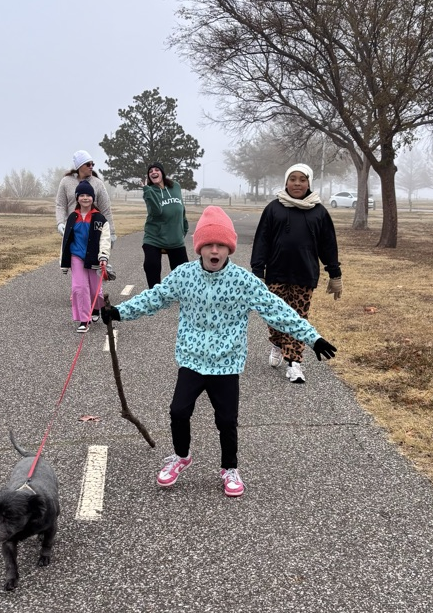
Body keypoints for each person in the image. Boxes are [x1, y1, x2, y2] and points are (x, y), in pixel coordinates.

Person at [101, 206, 337, 497]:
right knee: (178, 412)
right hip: (192, 360)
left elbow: (278, 310)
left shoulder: (244, 281)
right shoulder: (184, 275)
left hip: (227, 363)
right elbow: (156, 298)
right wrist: (119, 313)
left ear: (229, 248)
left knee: (226, 420)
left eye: (221, 245)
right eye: (209, 245)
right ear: (200, 247)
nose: (215, 251)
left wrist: (313, 338)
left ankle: (229, 468)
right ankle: (181, 456)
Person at [251, 163, 342, 385]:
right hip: (276, 273)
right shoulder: (274, 208)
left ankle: (294, 363)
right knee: (273, 316)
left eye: (302, 179)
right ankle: (276, 342)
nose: (297, 183)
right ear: (286, 182)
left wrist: (335, 274)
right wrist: (257, 270)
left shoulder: (319, 211)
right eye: (293, 179)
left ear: (309, 182)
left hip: (304, 274)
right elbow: (262, 240)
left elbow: (328, 244)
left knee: (297, 318)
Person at [60, 180, 111, 333]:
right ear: (77, 198)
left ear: (92, 198)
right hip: (77, 257)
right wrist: (64, 263)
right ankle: (84, 319)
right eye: (81, 195)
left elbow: (105, 239)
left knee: (95, 290)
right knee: (79, 288)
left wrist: (103, 256)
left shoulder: (99, 219)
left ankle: (95, 308)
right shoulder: (72, 217)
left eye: (88, 195)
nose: (85, 198)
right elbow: (65, 240)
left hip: (94, 258)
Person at [142, 161, 189, 288]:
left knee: (183, 272)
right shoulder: (149, 190)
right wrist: (147, 190)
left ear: (162, 173)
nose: (153, 172)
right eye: (150, 171)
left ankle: (182, 294)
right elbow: (157, 212)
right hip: (154, 237)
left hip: (175, 239)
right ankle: (155, 294)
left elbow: (181, 209)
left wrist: (184, 228)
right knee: (151, 265)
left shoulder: (176, 186)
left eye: (156, 170)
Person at [56, 150, 116, 244]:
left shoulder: (98, 184)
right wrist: (60, 223)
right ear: (79, 166)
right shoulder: (66, 182)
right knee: (71, 258)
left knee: (92, 258)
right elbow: (60, 205)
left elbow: (106, 210)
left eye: (93, 164)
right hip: (72, 231)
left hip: (93, 231)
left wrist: (111, 233)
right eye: (88, 164)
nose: (91, 167)